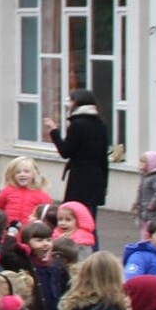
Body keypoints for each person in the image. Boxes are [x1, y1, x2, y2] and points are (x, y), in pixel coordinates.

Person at [44, 88, 111, 228]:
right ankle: (93, 249)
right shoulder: (100, 124)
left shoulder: (77, 125)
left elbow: (65, 151)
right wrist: (104, 185)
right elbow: (103, 158)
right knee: (90, 223)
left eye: (70, 100)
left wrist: (53, 131)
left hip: (80, 181)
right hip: (96, 180)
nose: (68, 103)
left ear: (76, 102)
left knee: (75, 221)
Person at [0, 157, 53, 228]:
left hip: (31, 233)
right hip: (8, 231)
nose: (22, 174)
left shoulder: (41, 194)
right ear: (12, 175)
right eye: (18, 172)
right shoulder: (7, 191)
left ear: (34, 174)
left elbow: (48, 215)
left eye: (26, 171)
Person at [132, 152, 156, 241]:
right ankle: (144, 243)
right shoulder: (144, 177)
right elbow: (141, 192)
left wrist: (152, 205)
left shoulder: (155, 178)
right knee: (143, 229)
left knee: (150, 229)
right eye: (140, 162)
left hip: (152, 212)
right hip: (144, 210)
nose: (140, 165)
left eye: (143, 163)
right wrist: (137, 203)